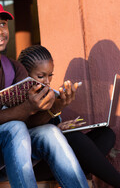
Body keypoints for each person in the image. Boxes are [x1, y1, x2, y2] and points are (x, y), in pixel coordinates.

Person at [0, 0, 89, 187]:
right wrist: (27, 107)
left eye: (2, 24)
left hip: (8, 158)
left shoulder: (14, 68)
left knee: (50, 132)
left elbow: (30, 121)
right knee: (15, 128)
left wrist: (57, 106)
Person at [18, 44, 120, 187]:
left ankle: (78, 172)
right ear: (25, 75)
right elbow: (24, 130)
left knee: (106, 134)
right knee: (74, 139)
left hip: (60, 158)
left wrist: (60, 127)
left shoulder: (51, 94)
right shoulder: (16, 98)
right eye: (40, 76)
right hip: (32, 163)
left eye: (50, 75)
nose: (47, 82)